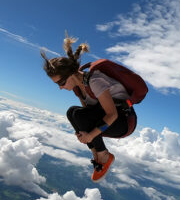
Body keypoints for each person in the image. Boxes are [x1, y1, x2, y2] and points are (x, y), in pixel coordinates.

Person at [42, 33, 135, 182]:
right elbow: (87, 114)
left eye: (61, 83)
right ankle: (96, 154)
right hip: (107, 120)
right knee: (72, 112)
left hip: (122, 122)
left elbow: (112, 115)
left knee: (79, 115)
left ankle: (104, 156)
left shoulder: (95, 81)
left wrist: (90, 136)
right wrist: (84, 134)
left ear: (72, 75)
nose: (60, 88)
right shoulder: (78, 88)